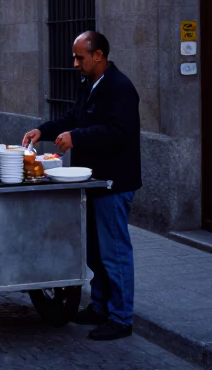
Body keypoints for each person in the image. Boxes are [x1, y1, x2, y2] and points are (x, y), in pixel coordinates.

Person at [22, 30, 140, 341]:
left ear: (98, 56)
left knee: (114, 252)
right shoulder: (90, 84)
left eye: (79, 57)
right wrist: (43, 131)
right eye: (75, 57)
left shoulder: (121, 88)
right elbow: (74, 116)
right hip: (92, 181)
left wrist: (77, 137)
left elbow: (118, 133)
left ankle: (121, 317)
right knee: (96, 251)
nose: (74, 62)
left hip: (114, 182)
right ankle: (100, 306)